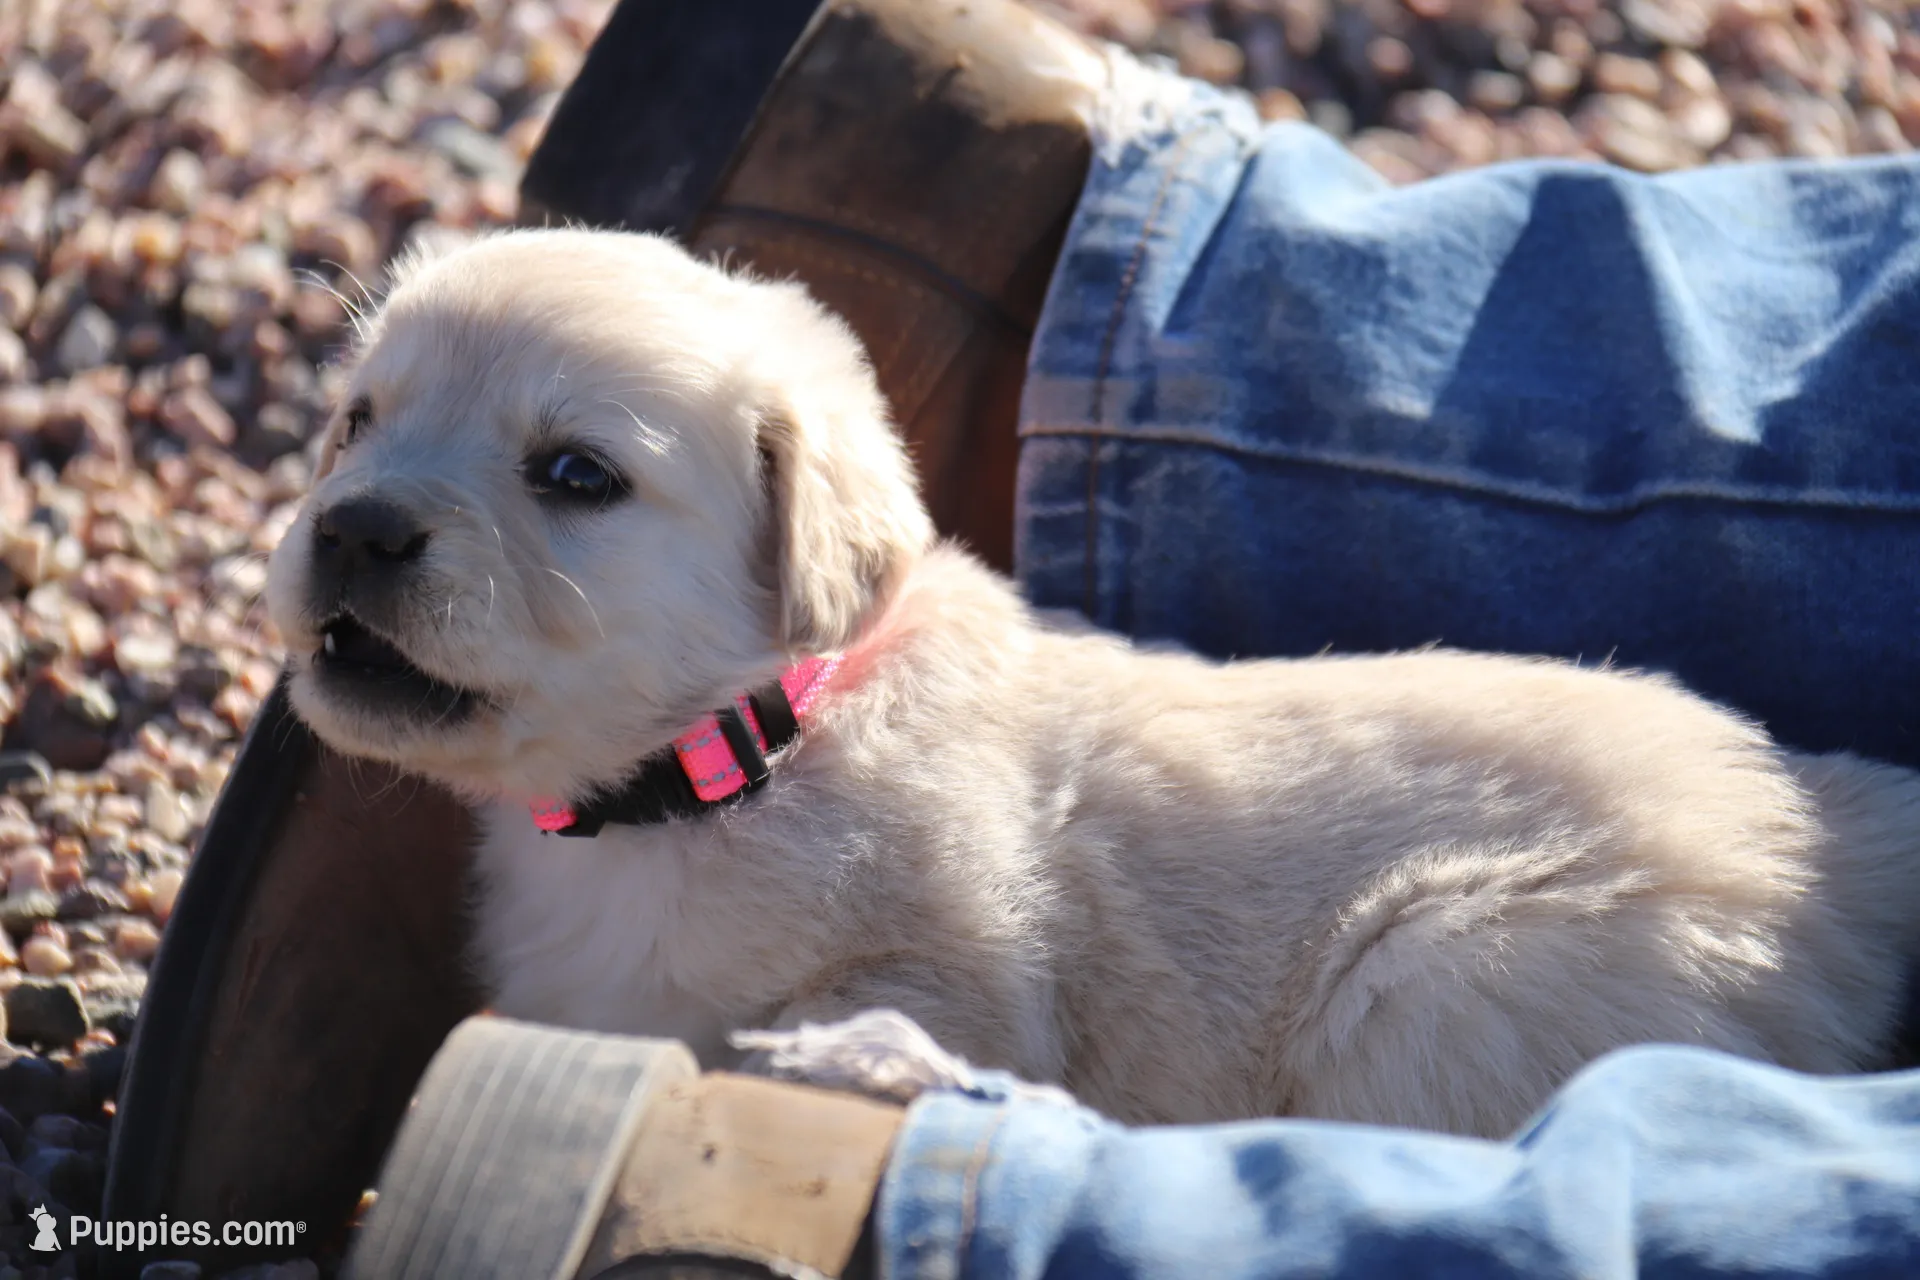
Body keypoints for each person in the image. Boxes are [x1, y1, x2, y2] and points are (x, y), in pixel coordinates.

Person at [106, 1, 1920, 1275]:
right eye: (362, 424)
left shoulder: (882, 826)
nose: (369, 514)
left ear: (807, 563)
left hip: (1562, 889)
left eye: (572, 475)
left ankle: (951, 1229)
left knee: (1418, 1063)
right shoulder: (610, 780)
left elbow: (963, 1000)